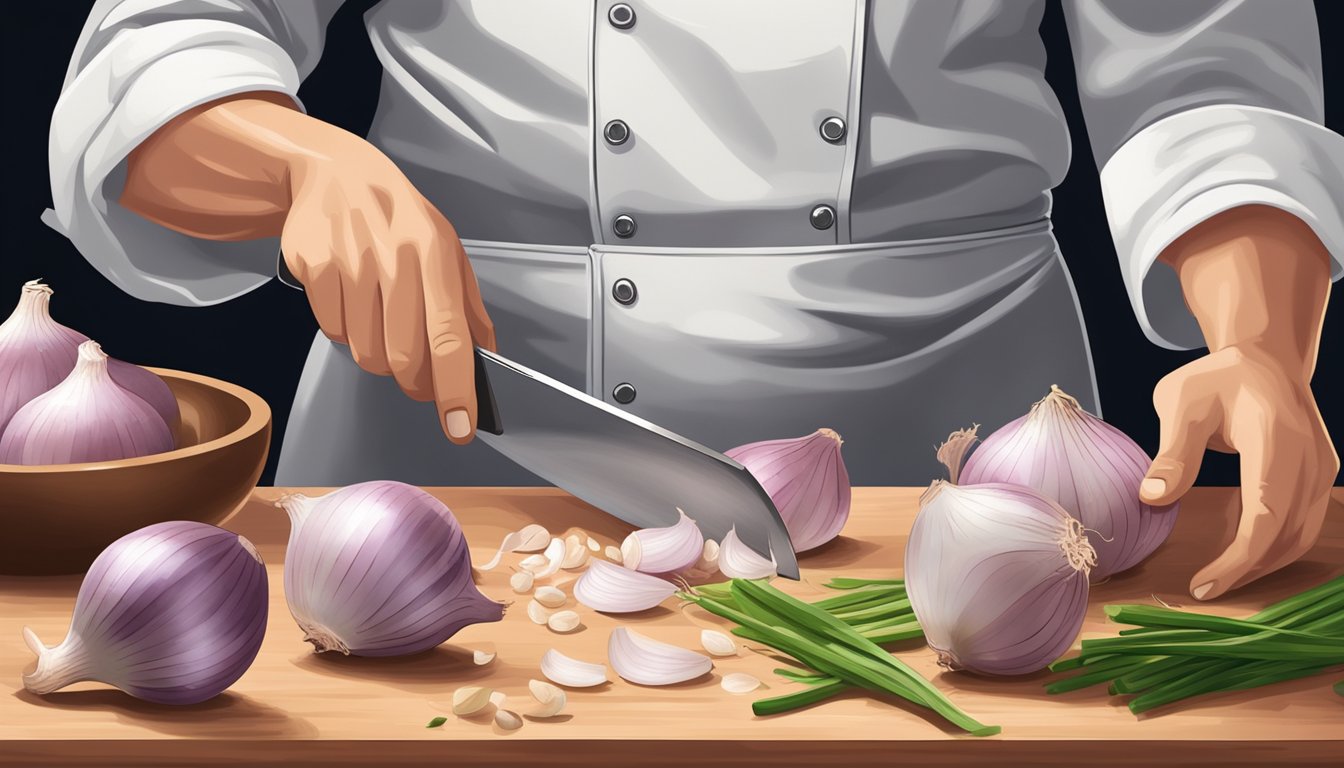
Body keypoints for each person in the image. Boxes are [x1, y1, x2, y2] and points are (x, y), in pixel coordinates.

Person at [47, 1, 1340, 600]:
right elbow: (155, 53)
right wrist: (303, 161)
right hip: (460, 428)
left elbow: (1205, 74)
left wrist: (1264, 347)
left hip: (965, 470)